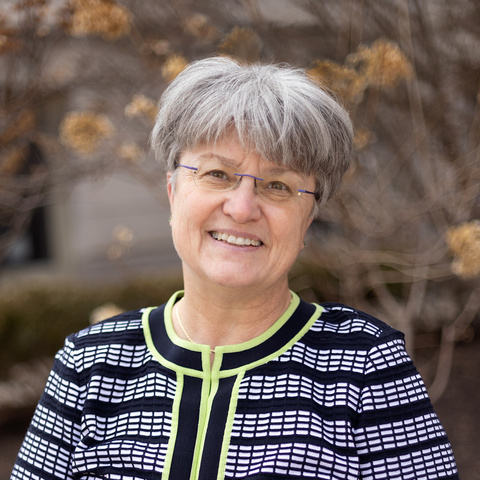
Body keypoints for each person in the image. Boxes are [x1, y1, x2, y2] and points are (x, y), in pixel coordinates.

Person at [11, 57, 459, 480]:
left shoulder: (364, 364)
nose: (242, 208)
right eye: (217, 175)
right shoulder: (90, 364)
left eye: (278, 185)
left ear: (308, 219)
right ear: (173, 193)